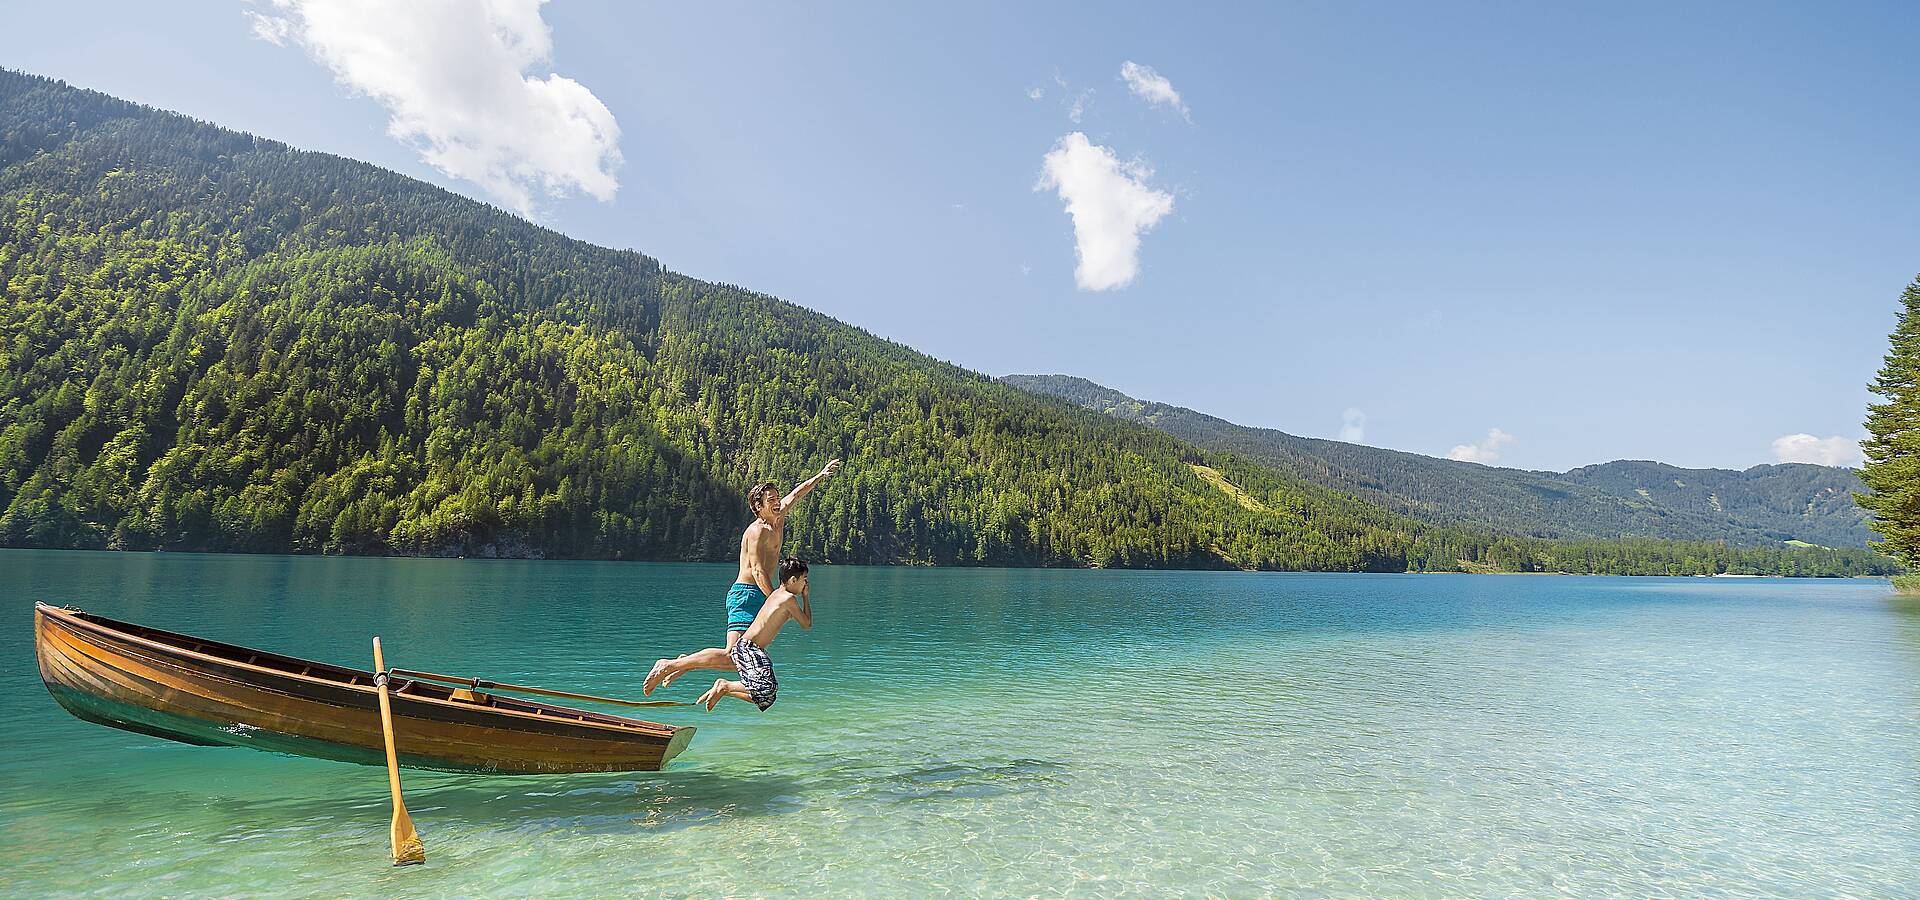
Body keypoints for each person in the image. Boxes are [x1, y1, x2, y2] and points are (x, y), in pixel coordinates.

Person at [643, 459, 839, 694]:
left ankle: (684, 663)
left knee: (739, 659)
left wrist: (821, 474)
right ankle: (670, 664)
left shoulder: (778, 517)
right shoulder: (756, 532)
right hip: (746, 594)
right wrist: (774, 600)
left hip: (761, 594)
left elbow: (797, 493)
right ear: (758, 506)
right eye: (771, 500)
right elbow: (757, 570)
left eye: (778, 498)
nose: (778, 502)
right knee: (732, 656)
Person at [698, 556, 812, 711]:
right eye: (804, 579)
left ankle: (726, 689)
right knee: (765, 688)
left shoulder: (776, 595)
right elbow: (806, 624)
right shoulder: (788, 598)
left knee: (767, 698)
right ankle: (724, 685)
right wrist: (805, 597)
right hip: (748, 648)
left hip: (751, 649)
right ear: (793, 580)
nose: (806, 583)